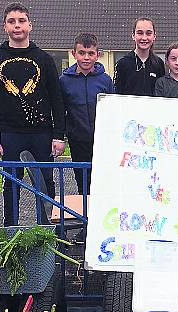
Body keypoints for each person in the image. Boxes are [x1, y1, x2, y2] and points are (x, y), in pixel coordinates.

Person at [0, 2, 65, 227]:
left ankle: (48, 230)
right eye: (12, 21)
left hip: (42, 133)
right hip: (10, 133)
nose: (17, 26)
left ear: (30, 25)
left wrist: (59, 135)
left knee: (46, 182)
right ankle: (11, 229)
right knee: (11, 184)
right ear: (5, 26)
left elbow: (57, 100)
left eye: (21, 21)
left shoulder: (45, 60)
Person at [59, 33, 114, 195]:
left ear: (98, 55)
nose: (86, 58)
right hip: (78, 140)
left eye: (91, 53)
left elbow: (112, 110)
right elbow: (60, 111)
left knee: (102, 181)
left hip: (102, 141)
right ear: (74, 53)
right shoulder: (64, 80)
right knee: (82, 181)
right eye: (82, 53)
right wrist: (61, 136)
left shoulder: (105, 80)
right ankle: (85, 218)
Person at [114, 17, 165, 96]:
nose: (144, 38)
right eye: (140, 33)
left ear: (154, 36)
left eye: (148, 33)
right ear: (133, 35)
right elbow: (116, 95)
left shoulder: (159, 64)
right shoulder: (122, 64)